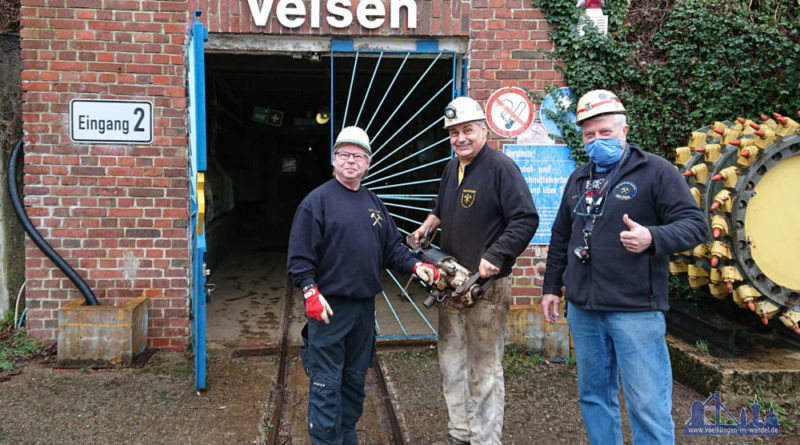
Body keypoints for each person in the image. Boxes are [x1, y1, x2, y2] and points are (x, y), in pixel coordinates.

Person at [541, 89, 707, 444]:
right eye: (589, 135)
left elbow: (696, 226)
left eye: (605, 132)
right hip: (584, 310)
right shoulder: (579, 179)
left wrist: (652, 237)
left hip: (635, 312)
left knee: (647, 404)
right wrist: (551, 288)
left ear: (624, 131)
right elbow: (561, 237)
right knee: (593, 397)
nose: (596, 140)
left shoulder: (656, 172)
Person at [287, 126, 439, 445]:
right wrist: (309, 291)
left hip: (363, 309)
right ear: (333, 159)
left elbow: (392, 249)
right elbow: (299, 258)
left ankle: (346, 433)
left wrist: (416, 264)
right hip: (327, 309)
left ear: (368, 163)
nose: (351, 161)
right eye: (344, 154)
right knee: (326, 382)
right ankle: (326, 440)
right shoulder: (316, 203)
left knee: (355, 379)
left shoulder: (374, 204)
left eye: (358, 156)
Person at [412, 96, 539, 445]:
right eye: (454, 132)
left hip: (485, 289)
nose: (460, 138)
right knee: (451, 365)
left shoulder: (500, 167)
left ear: (483, 129)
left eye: (467, 130)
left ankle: (485, 439)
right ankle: (460, 433)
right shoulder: (453, 168)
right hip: (451, 285)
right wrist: (426, 227)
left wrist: (496, 254)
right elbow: (440, 207)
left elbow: (526, 218)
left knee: (483, 371)